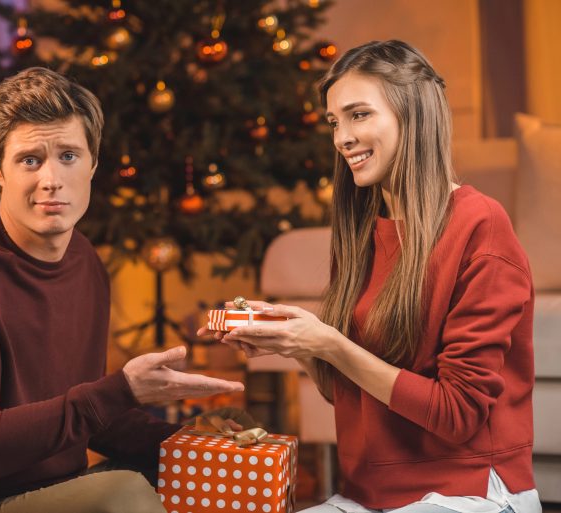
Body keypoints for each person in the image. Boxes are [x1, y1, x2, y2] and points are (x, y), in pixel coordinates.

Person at [0, 67, 245, 513]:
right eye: (30, 159)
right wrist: (122, 390)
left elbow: (86, 419)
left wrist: (194, 442)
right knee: (125, 494)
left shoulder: (85, 262)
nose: (51, 179)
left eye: (68, 156)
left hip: (52, 491)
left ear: (93, 162)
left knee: (210, 458)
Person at [202, 40, 541, 513]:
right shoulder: (363, 229)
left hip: (466, 490)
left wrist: (328, 343)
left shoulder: (480, 225)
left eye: (358, 115)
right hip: (370, 495)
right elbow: (353, 386)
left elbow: (458, 414)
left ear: (414, 114)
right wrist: (296, 341)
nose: (341, 137)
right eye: (334, 122)